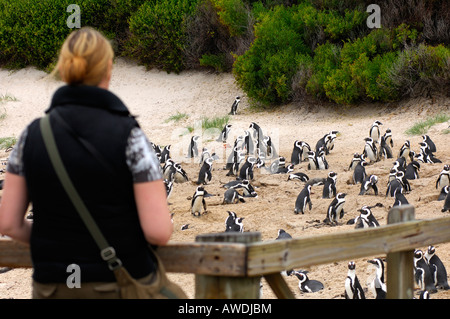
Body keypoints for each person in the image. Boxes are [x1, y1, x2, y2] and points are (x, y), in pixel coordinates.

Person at [0, 27, 173, 298]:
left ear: (64, 68)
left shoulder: (31, 135)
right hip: (117, 287)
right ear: (109, 68)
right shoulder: (130, 136)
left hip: (52, 288)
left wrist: (56, 241)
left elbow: (8, 223)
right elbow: (159, 232)